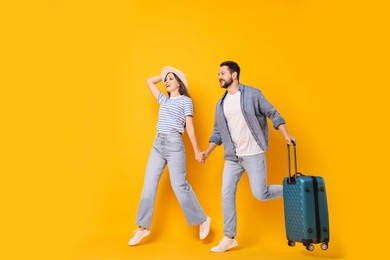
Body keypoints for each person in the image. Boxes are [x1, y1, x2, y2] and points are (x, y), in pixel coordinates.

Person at [202, 61, 295, 253]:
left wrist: (286, 134)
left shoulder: (252, 94)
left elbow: (273, 113)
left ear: (234, 75)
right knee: (226, 193)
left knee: (261, 194)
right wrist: (207, 152)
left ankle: (291, 190)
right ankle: (229, 237)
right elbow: (217, 132)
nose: (219, 77)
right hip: (233, 156)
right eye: (218, 74)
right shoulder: (220, 104)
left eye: (222, 73)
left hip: (253, 153)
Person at [128, 66, 211, 246]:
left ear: (179, 83)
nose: (166, 81)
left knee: (179, 185)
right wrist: (164, 73)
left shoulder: (185, 102)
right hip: (158, 144)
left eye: (171, 78)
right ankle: (143, 227)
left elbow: (190, 127)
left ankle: (203, 219)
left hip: (174, 145)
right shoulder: (163, 100)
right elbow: (149, 81)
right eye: (166, 79)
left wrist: (197, 150)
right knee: (149, 183)